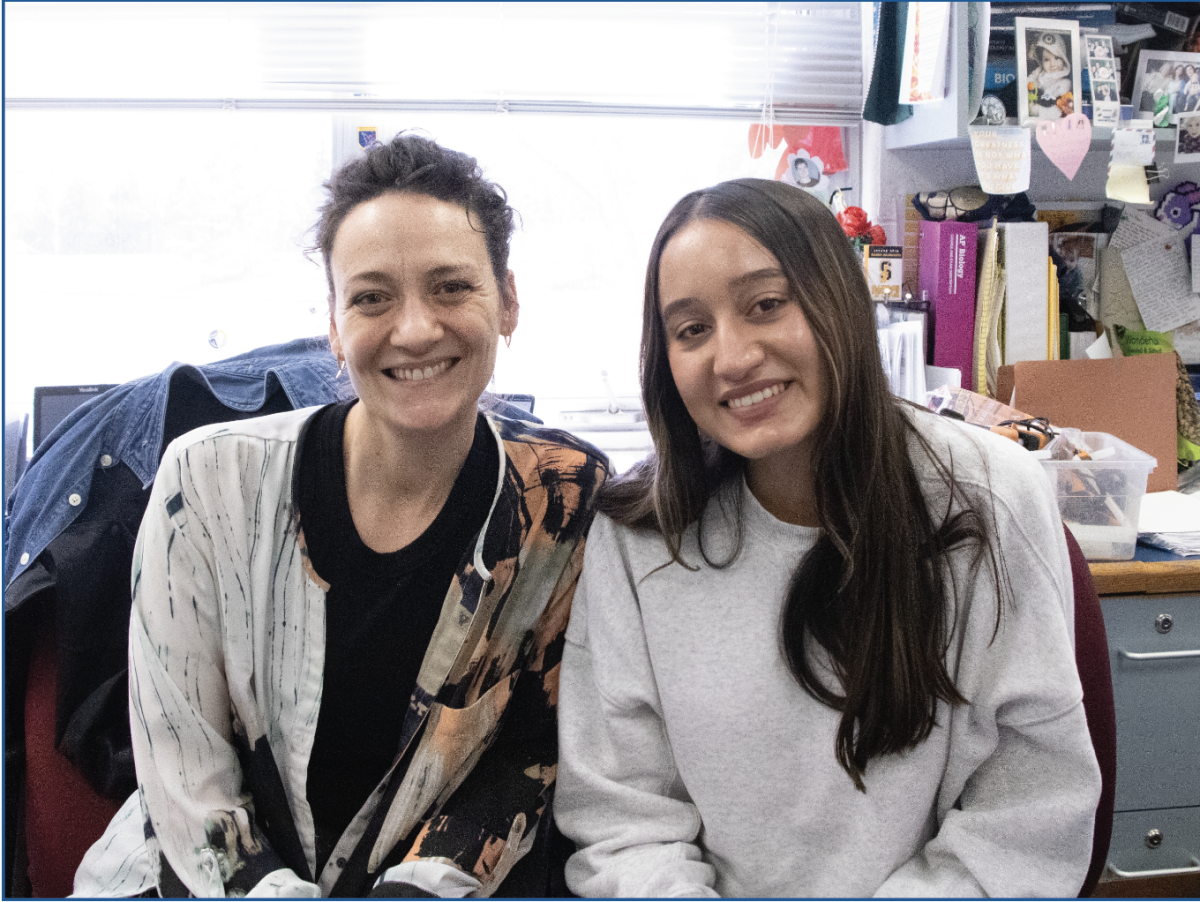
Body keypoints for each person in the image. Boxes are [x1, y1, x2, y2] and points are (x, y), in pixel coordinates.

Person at [73, 134, 608, 897]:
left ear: (508, 301)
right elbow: (186, 774)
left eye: (452, 286)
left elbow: (527, 753)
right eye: (371, 297)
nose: (415, 328)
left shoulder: (562, 497)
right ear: (333, 322)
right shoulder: (207, 480)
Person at [554, 179, 1102, 897]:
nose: (732, 356)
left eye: (767, 305)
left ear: (840, 299)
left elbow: (1027, 816)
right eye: (691, 330)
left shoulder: (989, 495)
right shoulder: (641, 533)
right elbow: (623, 819)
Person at [1027, 31, 1073, 119]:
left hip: (1056, 112)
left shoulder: (1065, 82)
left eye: (1056, 58)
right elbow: (1027, 84)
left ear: (1063, 59)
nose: (1052, 64)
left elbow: (1059, 96)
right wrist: (1037, 72)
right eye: (1046, 60)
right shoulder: (1040, 77)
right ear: (1041, 62)